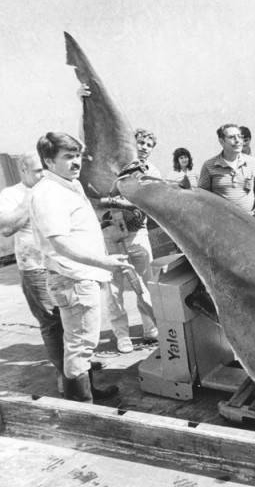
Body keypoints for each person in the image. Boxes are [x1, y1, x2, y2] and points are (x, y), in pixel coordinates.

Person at [30, 132, 133, 403]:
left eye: (77, 155)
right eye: (68, 157)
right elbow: (61, 243)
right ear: (49, 162)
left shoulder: (67, 185)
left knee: (82, 343)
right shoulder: (50, 193)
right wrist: (104, 261)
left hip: (80, 277)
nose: (76, 162)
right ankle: (83, 407)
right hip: (74, 279)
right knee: (80, 345)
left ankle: (87, 393)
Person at [78, 84, 160, 353]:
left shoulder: (153, 171)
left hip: (138, 233)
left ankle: (151, 328)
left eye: (150, 144)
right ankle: (122, 335)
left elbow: (152, 204)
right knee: (113, 289)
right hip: (110, 231)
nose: (145, 147)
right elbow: (93, 194)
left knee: (146, 283)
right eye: (141, 142)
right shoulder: (110, 168)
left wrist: (128, 204)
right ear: (131, 143)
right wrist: (118, 201)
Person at [0, 152, 64, 391]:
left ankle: (76, 368)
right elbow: (7, 228)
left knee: (70, 319)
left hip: (60, 265)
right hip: (35, 269)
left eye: (45, 170)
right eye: (37, 171)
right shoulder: (11, 194)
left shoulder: (54, 189)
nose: (43, 175)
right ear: (23, 170)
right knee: (51, 322)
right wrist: (31, 198)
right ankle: (63, 375)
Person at [199, 124, 255, 220]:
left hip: (250, 223)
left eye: (239, 136)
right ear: (221, 141)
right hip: (223, 224)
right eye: (232, 137)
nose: (238, 140)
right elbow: (202, 196)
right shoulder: (209, 165)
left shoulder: (252, 162)